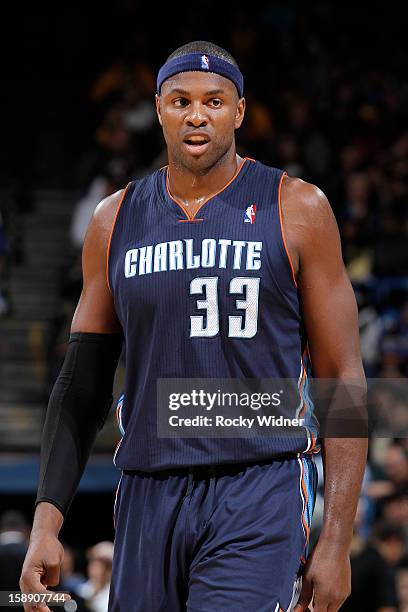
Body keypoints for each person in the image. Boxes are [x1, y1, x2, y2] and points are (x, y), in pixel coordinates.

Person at [20, 41, 367, 611]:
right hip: (147, 489)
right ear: (159, 109)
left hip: (259, 486)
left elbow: (342, 379)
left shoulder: (297, 208)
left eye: (214, 100)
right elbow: (82, 386)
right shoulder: (115, 220)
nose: (197, 114)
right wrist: (46, 521)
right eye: (181, 100)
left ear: (240, 111)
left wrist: (337, 539)